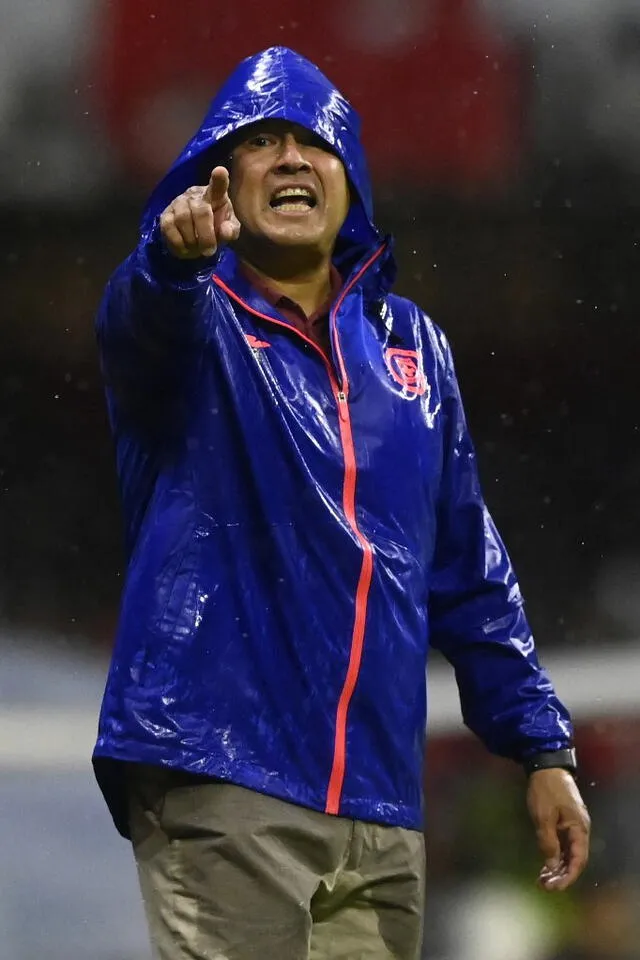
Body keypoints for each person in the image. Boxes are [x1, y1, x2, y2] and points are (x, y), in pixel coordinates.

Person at [93, 46, 591, 960]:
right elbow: (139, 328)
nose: (291, 159)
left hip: (380, 808)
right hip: (223, 767)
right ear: (219, 180)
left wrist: (542, 749)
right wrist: (170, 264)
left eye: (316, 144)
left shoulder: (416, 353)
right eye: (263, 143)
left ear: (349, 178)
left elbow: (467, 566)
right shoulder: (191, 318)